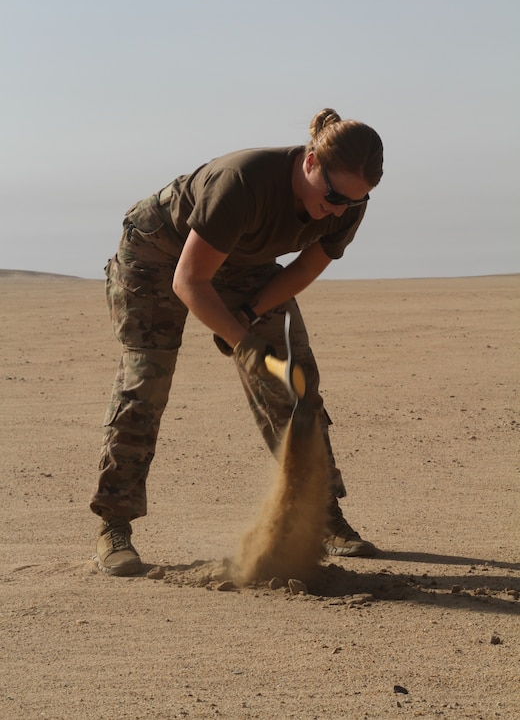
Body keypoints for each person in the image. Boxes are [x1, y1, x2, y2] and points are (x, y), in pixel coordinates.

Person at [90, 107, 384, 576]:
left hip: (242, 263)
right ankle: (115, 524)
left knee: (293, 382)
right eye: (332, 196)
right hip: (158, 253)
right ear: (310, 162)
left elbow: (306, 267)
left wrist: (248, 313)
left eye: (353, 201)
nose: (338, 209)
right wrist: (244, 343)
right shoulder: (242, 183)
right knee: (147, 379)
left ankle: (323, 514)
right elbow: (190, 281)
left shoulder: (347, 201)